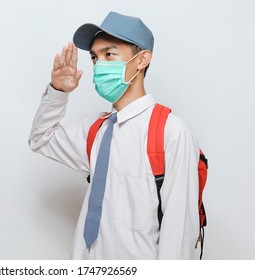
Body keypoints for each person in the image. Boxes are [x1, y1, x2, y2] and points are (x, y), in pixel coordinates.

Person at [28, 11, 201, 259]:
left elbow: (179, 236)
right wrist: (58, 91)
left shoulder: (171, 133)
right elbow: (40, 138)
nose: (99, 65)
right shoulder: (96, 129)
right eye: (95, 57)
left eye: (109, 54)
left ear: (142, 60)